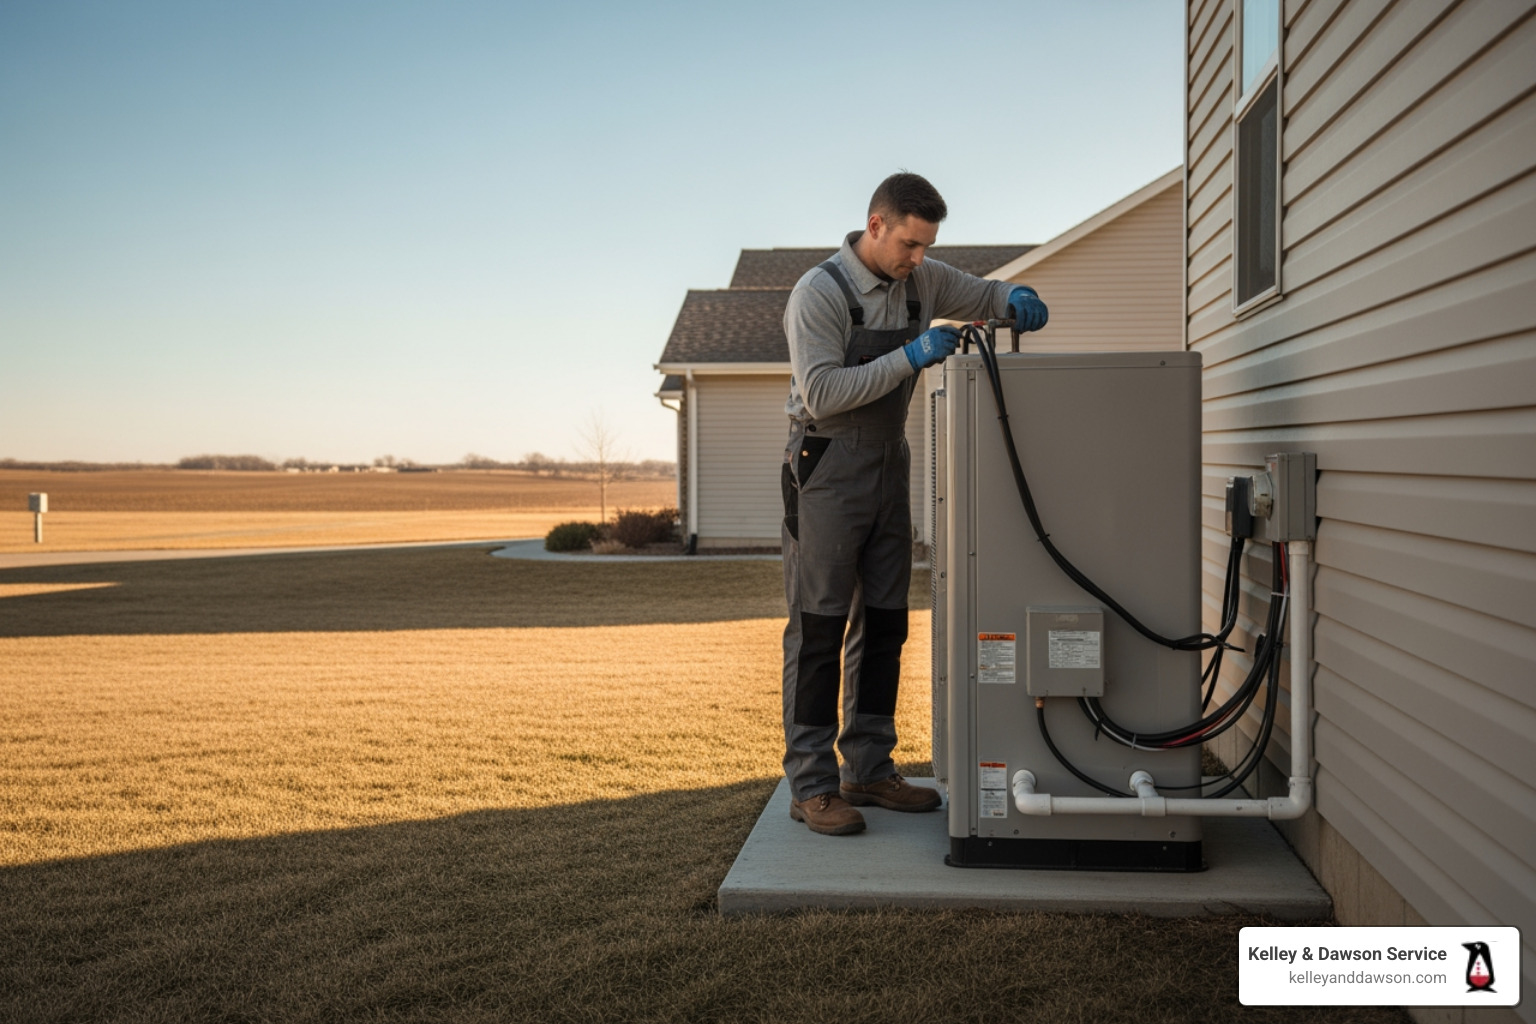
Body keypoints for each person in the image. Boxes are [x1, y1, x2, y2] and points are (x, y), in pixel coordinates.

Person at [779, 172, 1048, 835]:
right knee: (819, 629)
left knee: (886, 623)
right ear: (876, 227)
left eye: (927, 246)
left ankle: (868, 769)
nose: (918, 259)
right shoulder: (819, 293)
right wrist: (912, 354)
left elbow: (982, 294)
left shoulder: (922, 281)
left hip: (887, 463)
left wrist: (1015, 298)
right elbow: (822, 393)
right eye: (909, 244)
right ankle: (812, 786)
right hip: (825, 462)